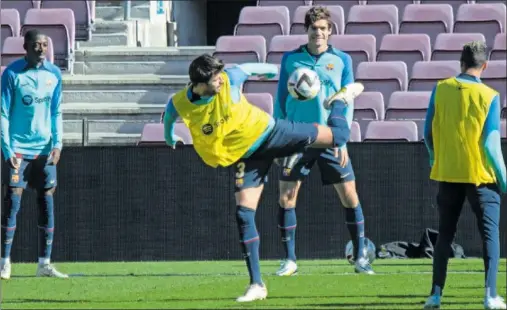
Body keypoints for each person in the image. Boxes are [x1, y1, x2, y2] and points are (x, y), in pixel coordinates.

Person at [164, 54, 364, 302]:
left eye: (220, 76)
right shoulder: (181, 101)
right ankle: (257, 284)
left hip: (272, 133)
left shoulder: (229, 79)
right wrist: (169, 136)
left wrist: (270, 71)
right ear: (200, 83)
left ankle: (340, 101)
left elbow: (247, 68)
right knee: (243, 214)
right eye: (215, 79)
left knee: (339, 136)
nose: (220, 82)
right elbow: (169, 115)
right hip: (247, 155)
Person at [273, 6, 373, 276]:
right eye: (313, 28)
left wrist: (342, 141)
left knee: (350, 196)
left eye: (323, 28)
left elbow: (347, 100)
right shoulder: (290, 59)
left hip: (330, 137)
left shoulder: (342, 60)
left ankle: (360, 257)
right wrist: (278, 140)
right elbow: (280, 100)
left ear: (330, 31)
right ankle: (290, 260)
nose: (318, 32)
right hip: (296, 137)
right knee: (287, 197)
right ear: (306, 30)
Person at [423, 41, 506, 310]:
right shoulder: (490, 95)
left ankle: (435, 296)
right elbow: (491, 145)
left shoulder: (440, 88)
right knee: (489, 236)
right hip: (480, 176)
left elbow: (427, 133)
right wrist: (504, 181)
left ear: (460, 63)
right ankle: (490, 296)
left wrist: (436, 159)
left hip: (448, 174)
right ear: (484, 66)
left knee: (445, 234)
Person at [0, 30, 67, 279]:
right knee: (12, 203)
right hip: (18, 149)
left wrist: (58, 144)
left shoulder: (54, 74)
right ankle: (5, 262)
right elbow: (3, 113)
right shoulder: (12, 74)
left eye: (45, 44)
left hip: (44, 150)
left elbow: (56, 112)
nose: (41, 49)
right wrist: (7, 149)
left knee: (46, 202)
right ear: (25, 47)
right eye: (36, 44)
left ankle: (44, 264)